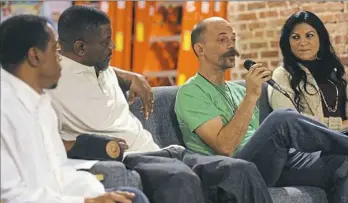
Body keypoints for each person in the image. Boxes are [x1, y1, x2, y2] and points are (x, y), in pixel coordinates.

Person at [46, 5, 274, 203]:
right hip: (131, 158)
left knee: (240, 170)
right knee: (180, 179)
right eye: (106, 42)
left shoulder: (100, 64)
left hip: (161, 151)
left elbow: (94, 69)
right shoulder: (51, 78)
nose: (113, 47)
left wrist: (132, 77)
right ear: (80, 48)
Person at [174, 16, 348, 203]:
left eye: (233, 39)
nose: (232, 46)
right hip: (231, 173)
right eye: (223, 39)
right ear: (200, 49)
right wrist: (251, 96)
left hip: (267, 166)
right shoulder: (190, 93)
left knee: (341, 163)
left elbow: (253, 138)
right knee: (282, 119)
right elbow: (225, 148)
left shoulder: (238, 90)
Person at [0, 14, 149, 203]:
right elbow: (9, 197)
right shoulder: (5, 110)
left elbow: (59, 173)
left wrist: (96, 196)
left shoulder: (41, 104)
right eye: (55, 51)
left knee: (132, 197)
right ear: (35, 56)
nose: (61, 61)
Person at [268, 10, 347, 131]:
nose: (303, 43)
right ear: (287, 42)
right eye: (295, 37)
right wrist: (340, 125)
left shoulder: (335, 71)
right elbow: (288, 121)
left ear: (320, 38)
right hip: (315, 144)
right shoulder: (282, 74)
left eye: (309, 35)